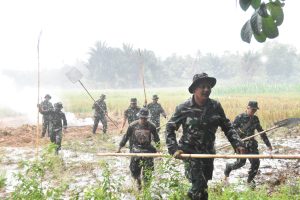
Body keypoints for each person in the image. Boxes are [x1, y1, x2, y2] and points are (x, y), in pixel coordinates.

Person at [165, 73, 246, 200]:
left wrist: (237, 143)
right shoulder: (183, 107)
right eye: (203, 87)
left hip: (208, 152)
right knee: (199, 184)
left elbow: (227, 126)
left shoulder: (215, 106)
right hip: (190, 152)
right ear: (194, 89)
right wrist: (173, 148)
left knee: (203, 187)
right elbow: (170, 127)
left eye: (208, 87)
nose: (206, 90)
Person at [224, 101, 273, 187]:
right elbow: (231, 132)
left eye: (255, 110)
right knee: (240, 163)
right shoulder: (239, 117)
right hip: (241, 145)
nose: (253, 112)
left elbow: (261, 132)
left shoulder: (255, 119)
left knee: (256, 162)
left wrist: (268, 145)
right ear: (247, 108)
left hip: (252, 144)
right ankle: (228, 168)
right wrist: (237, 144)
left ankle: (249, 181)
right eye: (252, 110)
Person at [117, 108, 160, 190]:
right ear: (139, 117)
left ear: (148, 118)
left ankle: (146, 190)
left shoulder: (152, 126)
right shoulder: (132, 125)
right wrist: (119, 147)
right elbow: (126, 137)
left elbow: (157, 139)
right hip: (136, 149)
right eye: (142, 118)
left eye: (145, 118)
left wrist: (158, 150)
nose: (143, 119)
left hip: (148, 150)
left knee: (148, 172)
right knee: (134, 171)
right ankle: (138, 181)